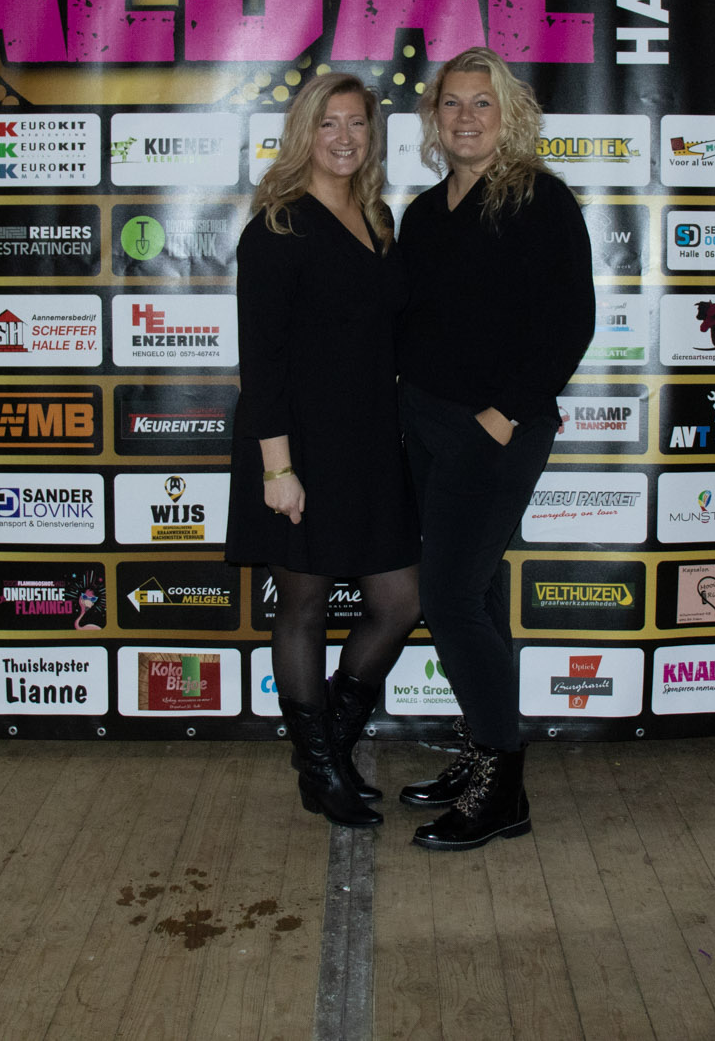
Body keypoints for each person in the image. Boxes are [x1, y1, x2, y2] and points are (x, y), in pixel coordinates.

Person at [395, 47, 595, 851]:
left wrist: (504, 414)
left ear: (508, 114)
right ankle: (486, 750)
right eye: (452, 103)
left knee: (447, 598)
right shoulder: (420, 212)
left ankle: (502, 788)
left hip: (497, 430)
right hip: (424, 424)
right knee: (473, 597)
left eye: (482, 103)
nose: (466, 116)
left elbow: (571, 320)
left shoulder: (540, 199)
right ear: (433, 117)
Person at [225, 71, 421, 828]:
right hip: (298, 444)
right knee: (303, 605)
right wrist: (277, 468)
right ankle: (320, 770)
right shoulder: (276, 228)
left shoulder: (378, 218)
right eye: (329, 123)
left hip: (369, 442)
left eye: (358, 124)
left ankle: (329, 747)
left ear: (373, 135)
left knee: (400, 602)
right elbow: (262, 361)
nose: (344, 137)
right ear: (305, 133)